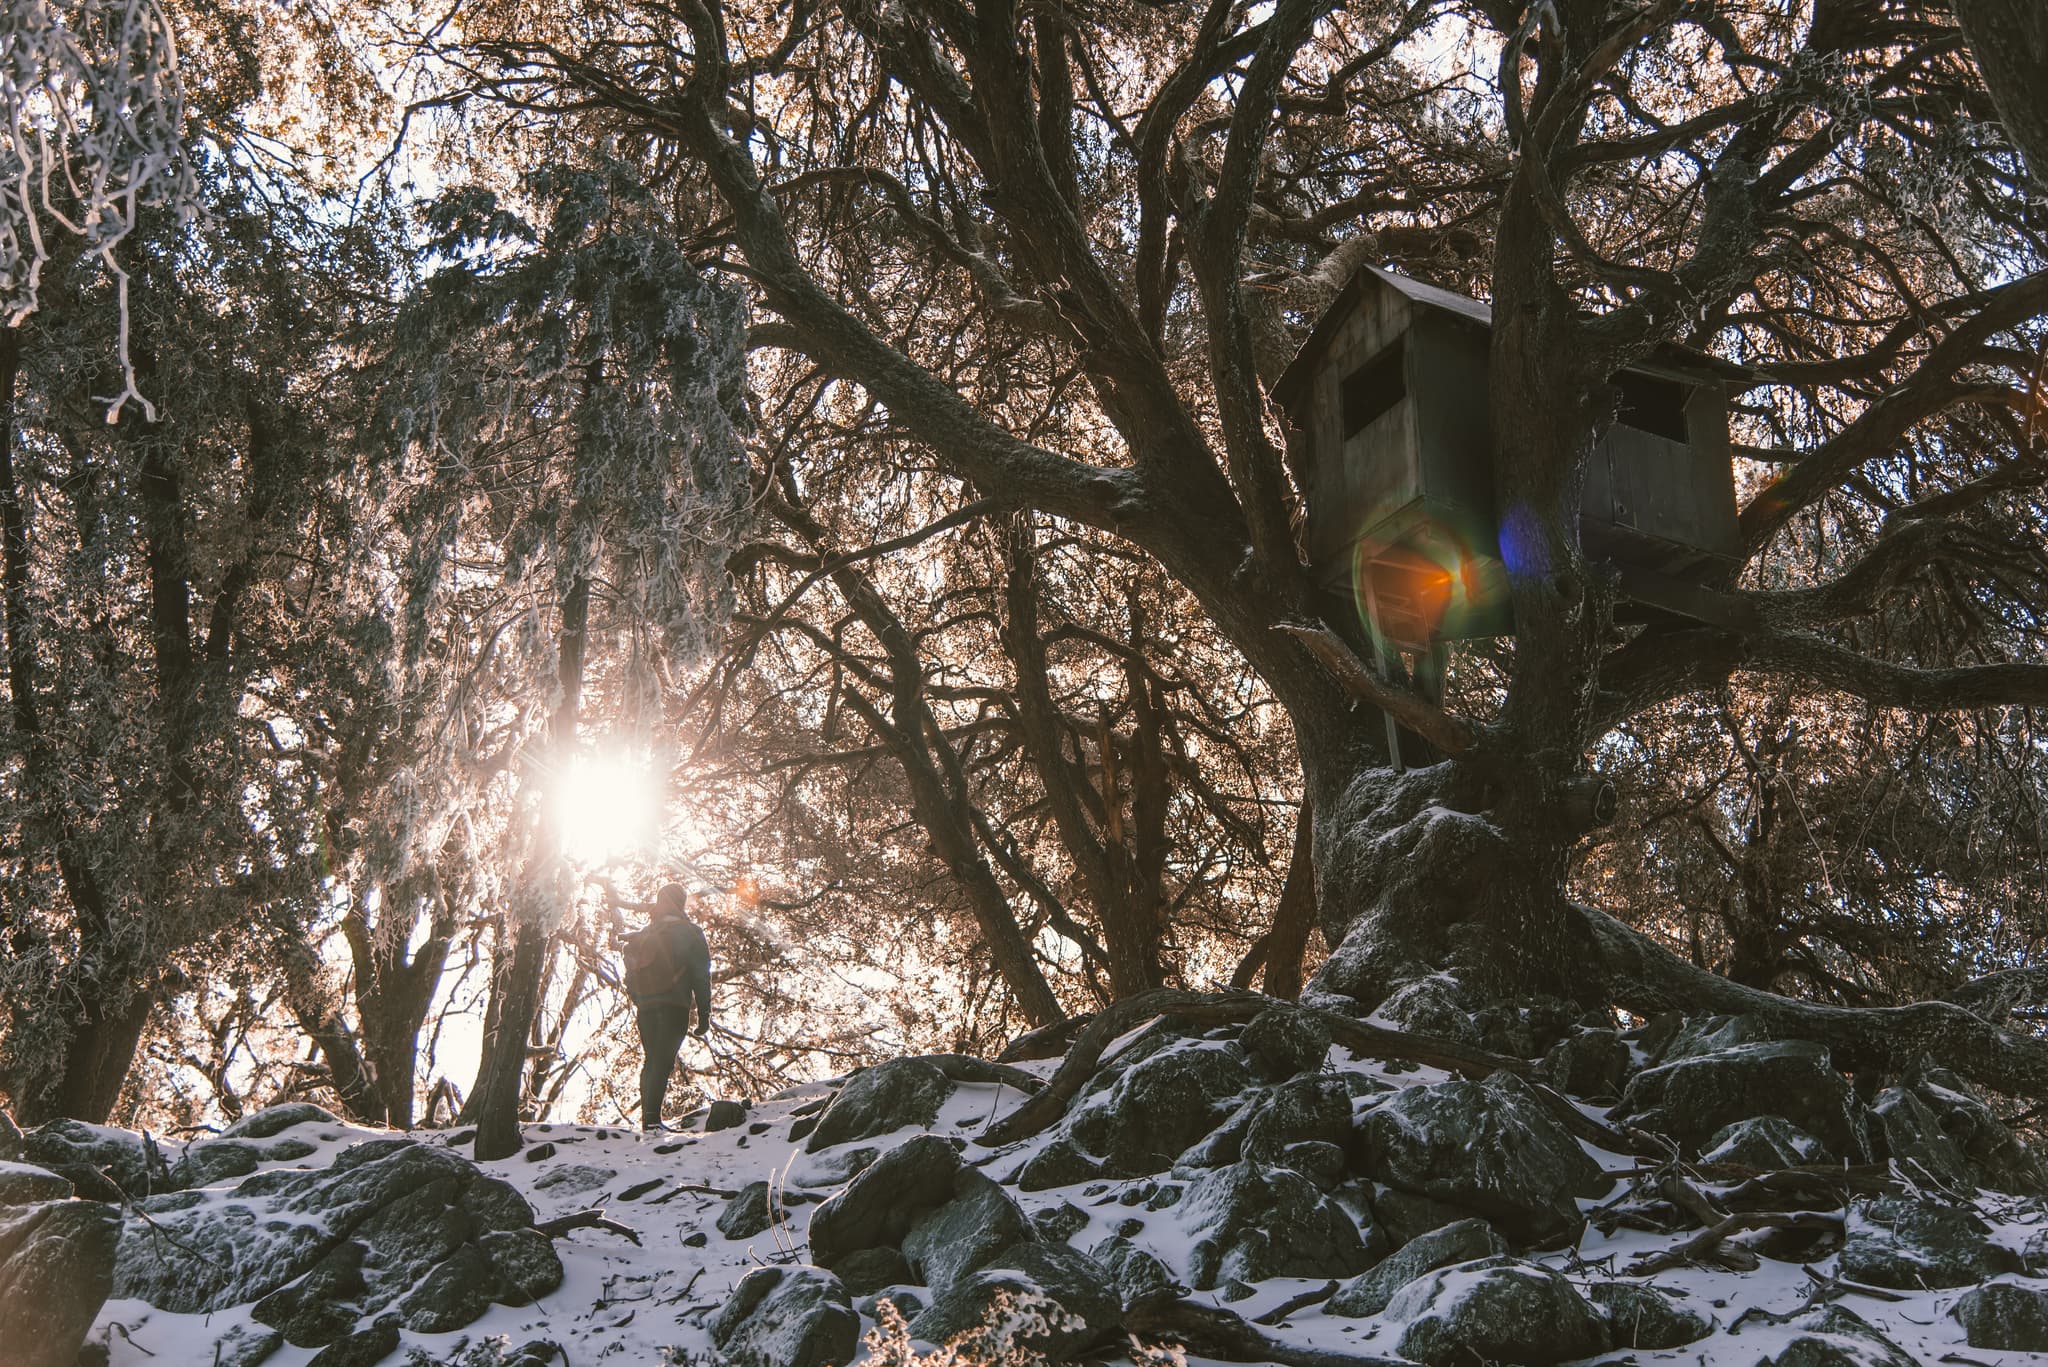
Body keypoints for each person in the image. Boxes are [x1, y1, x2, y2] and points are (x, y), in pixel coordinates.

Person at [603, 882, 713, 1132]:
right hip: (675, 1005)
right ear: (680, 902)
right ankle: (652, 1122)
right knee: (662, 1061)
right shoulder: (690, 932)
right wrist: (704, 1014)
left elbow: (631, 973)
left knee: (652, 1060)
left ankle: (649, 1118)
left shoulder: (645, 933)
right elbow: (701, 975)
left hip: (647, 1007)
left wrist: (640, 999)